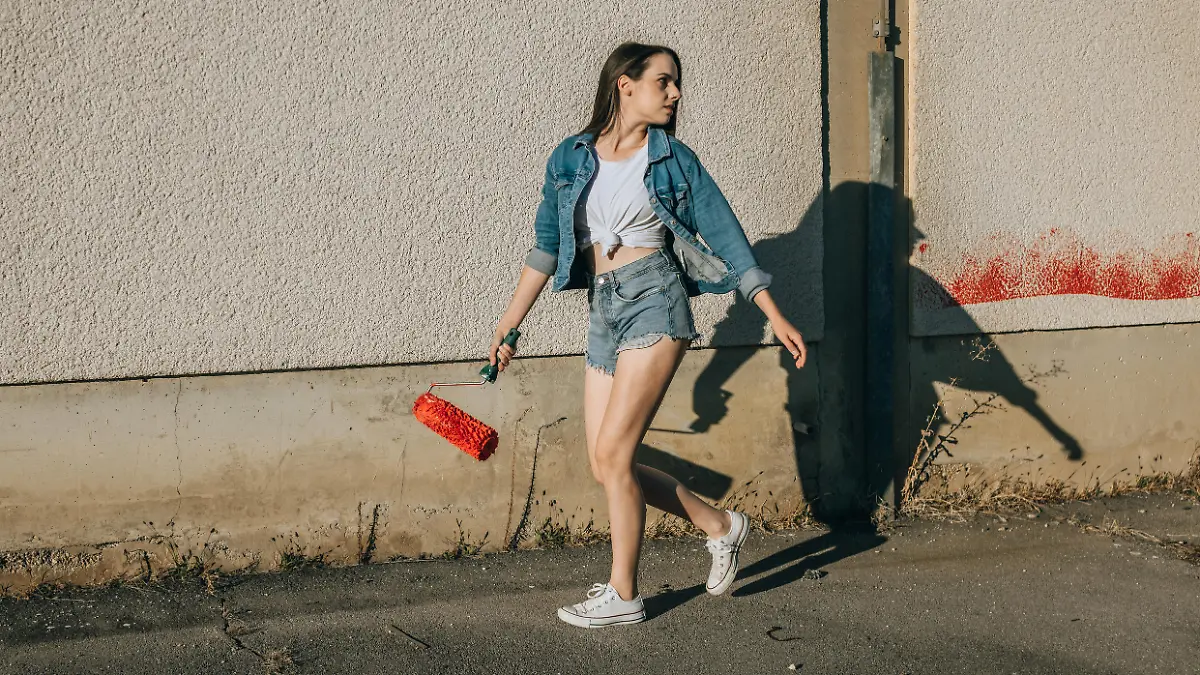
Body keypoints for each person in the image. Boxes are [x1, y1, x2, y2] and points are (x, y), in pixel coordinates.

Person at [487, 42, 807, 628]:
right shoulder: (570, 157)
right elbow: (545, 248)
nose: (676, 93)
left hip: (656, 300)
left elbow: (728, 239)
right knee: (606, 464)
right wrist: (509, 325)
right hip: (603, 308)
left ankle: (624, 594)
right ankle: (719, 525)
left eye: (676, 83)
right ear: (625, 84)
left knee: (615, 455)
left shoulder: (674, 160)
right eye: (664, 81)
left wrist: (773, 312)